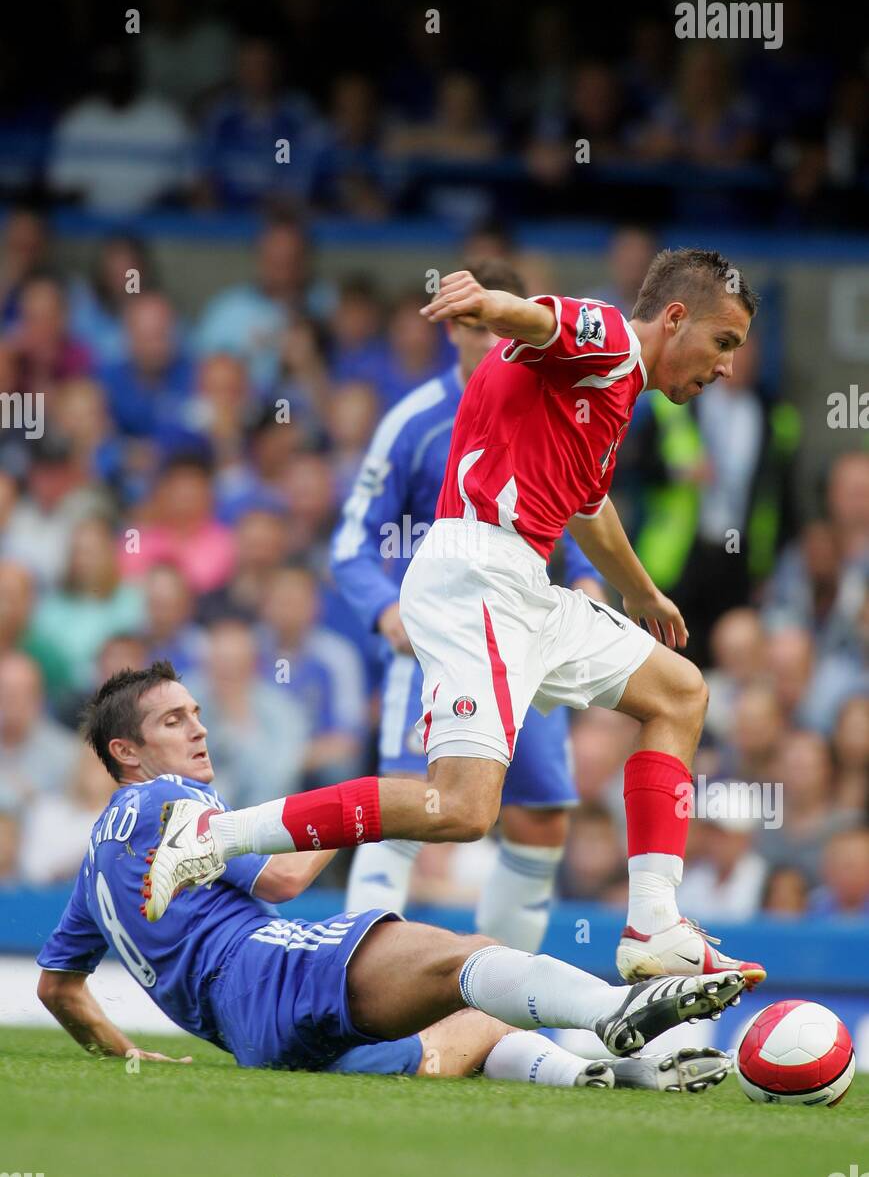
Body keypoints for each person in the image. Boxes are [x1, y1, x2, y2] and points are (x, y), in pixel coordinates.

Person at [144, 249, 767, 990]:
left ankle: (653, 925)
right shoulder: (606, 337)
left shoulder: (611, 390)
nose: (726, 366)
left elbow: (587, 505)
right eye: (722, 342)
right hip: (478, 574)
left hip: (520, 584)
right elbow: (537, 320)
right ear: (673, 319)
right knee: (462, 809)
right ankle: (215, 835)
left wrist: (637, 589)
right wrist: (490, 305)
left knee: (680, 692)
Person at [37, 662, 741, 1094]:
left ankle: (609, 1073)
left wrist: (127, 1055)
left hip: (248, 1036)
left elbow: (58, 986)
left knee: (460, 1033)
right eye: (172, 720)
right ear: (127, 753)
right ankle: (612, 1010)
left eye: (195, 713)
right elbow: (280, 878)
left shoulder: (96, 860)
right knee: (465, 956)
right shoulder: (163, 799)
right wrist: (360, 811)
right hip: (268, 971)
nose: (198, 730)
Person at [331, 258, 601, 953]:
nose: (495, 339)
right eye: (482, 325)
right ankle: (355, 975)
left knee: (540, 817)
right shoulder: (414, 423)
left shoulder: (553, 401)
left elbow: (569, 513)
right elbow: (350, 542)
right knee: (410, 805)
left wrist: (587, 582)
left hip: (522, 640)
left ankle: (504, 995)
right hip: (436, 638)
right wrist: (384, 610)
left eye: (507, 321)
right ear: (453, 327)